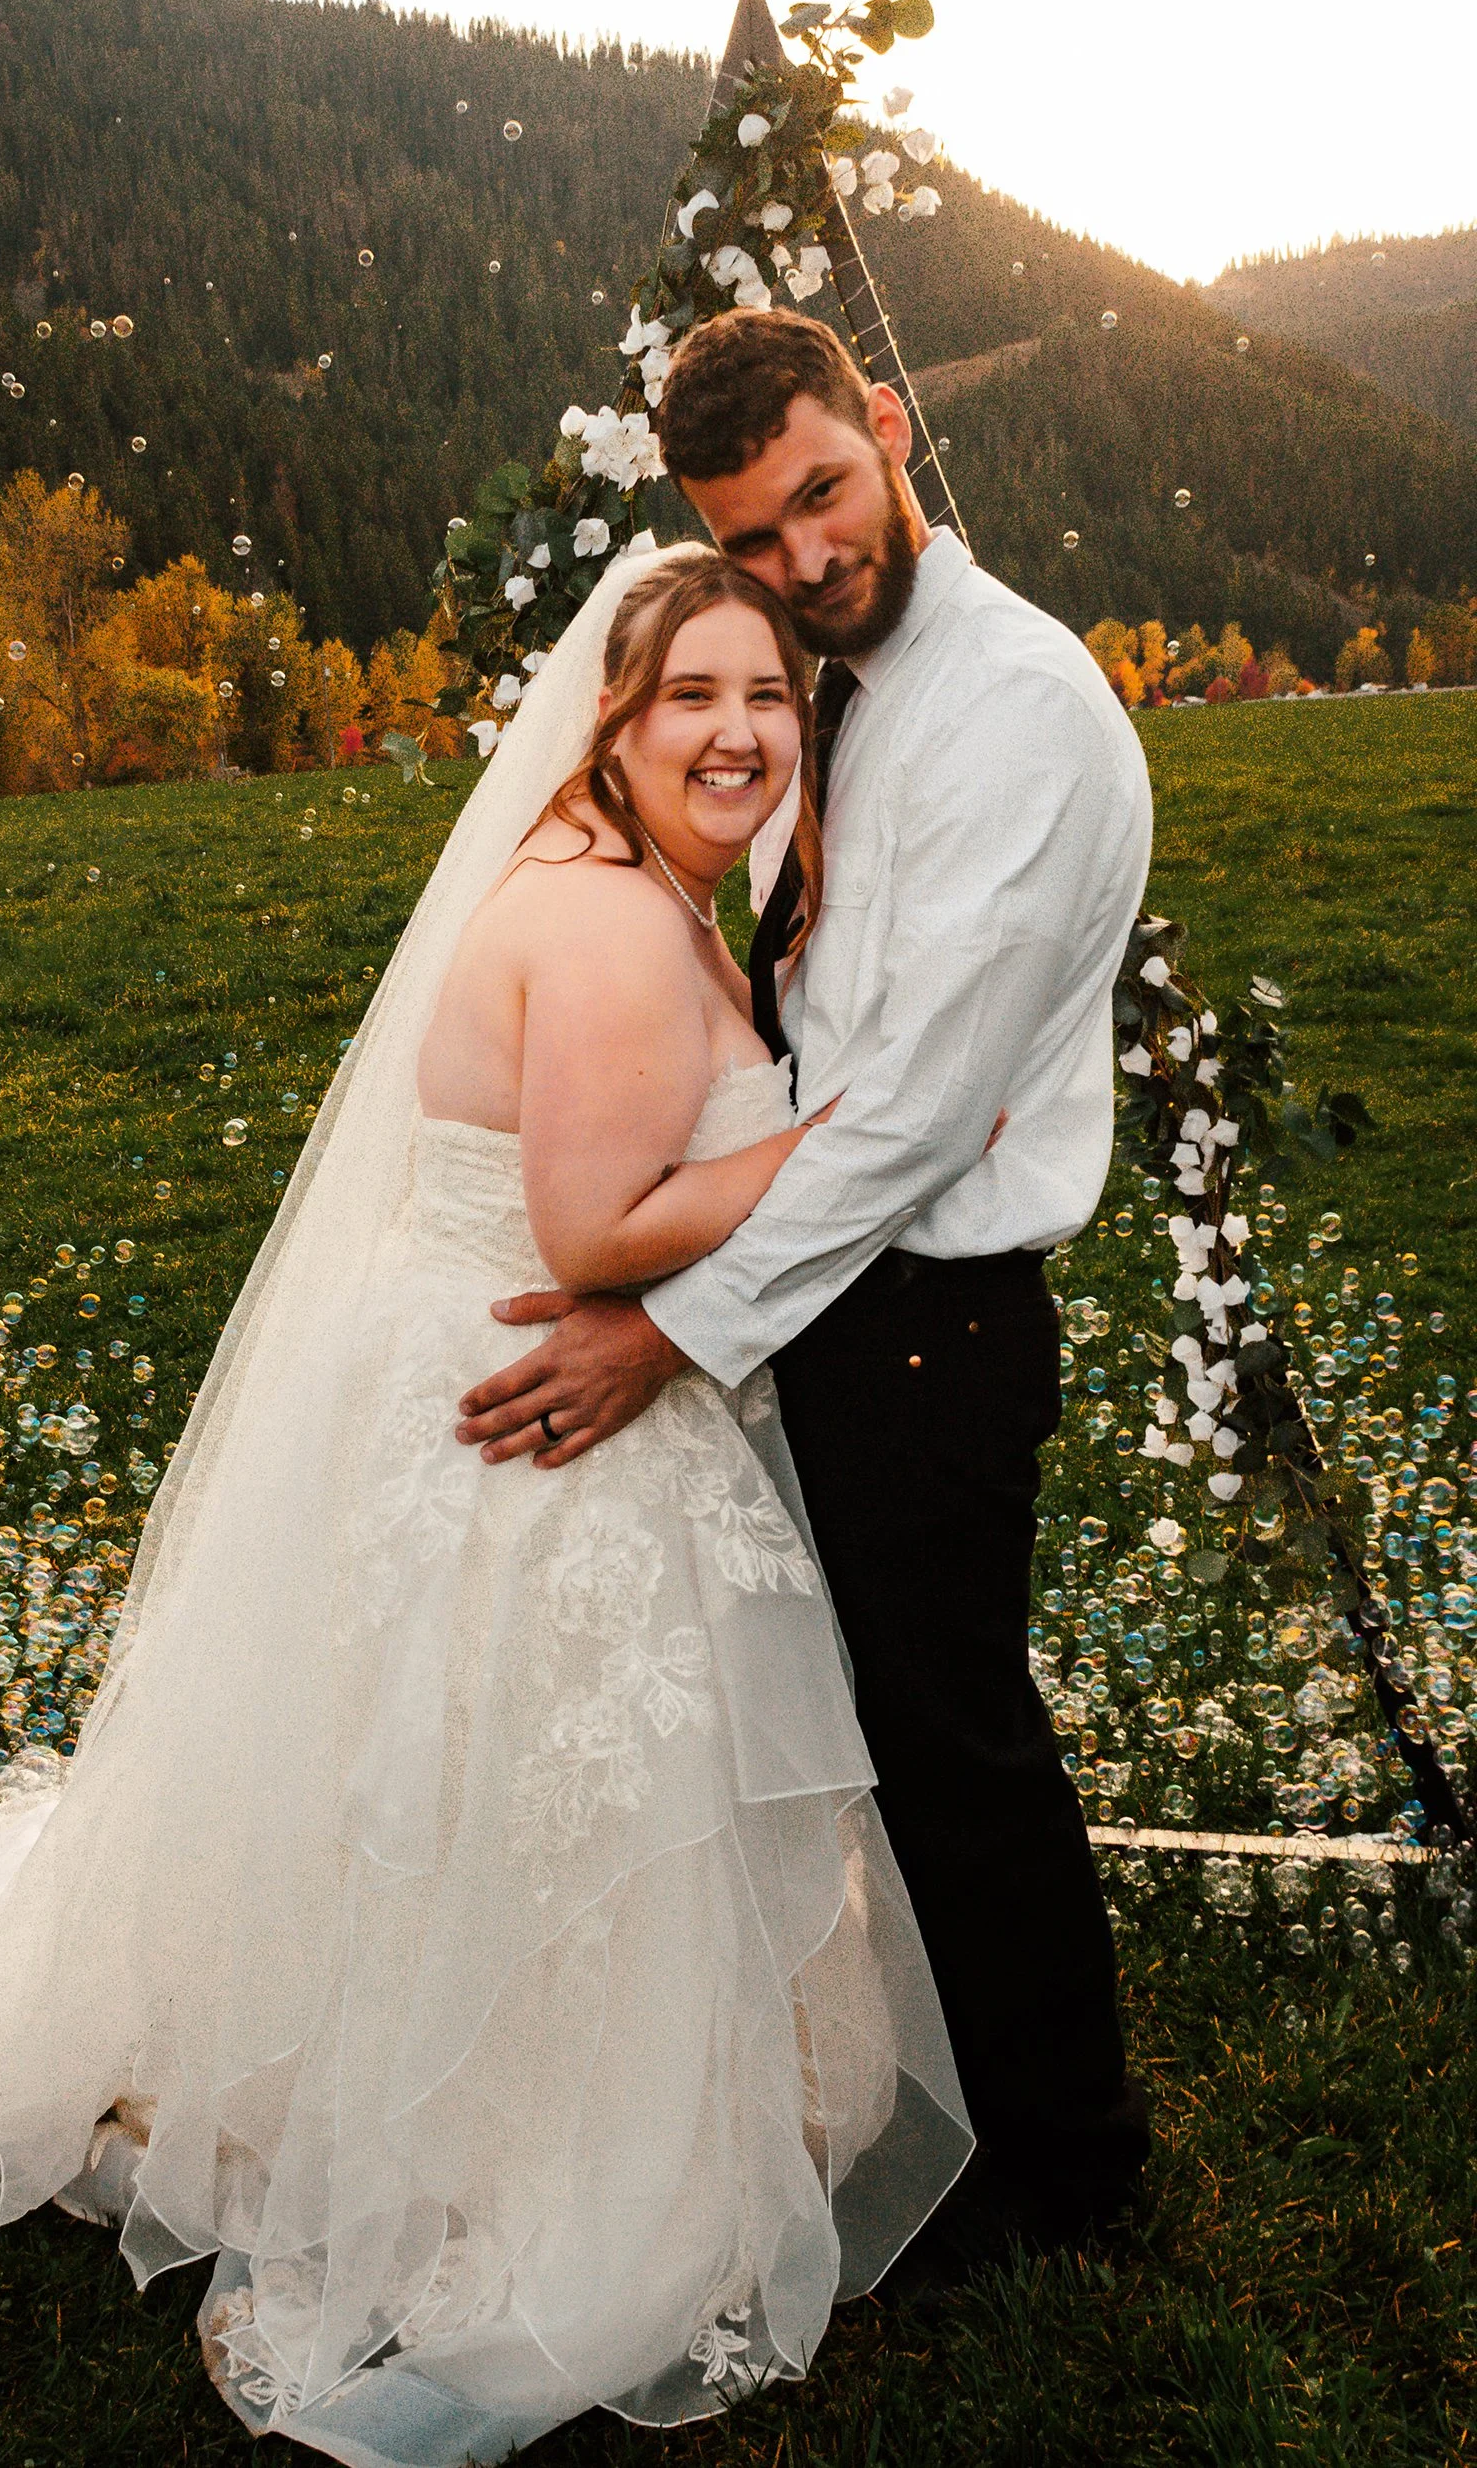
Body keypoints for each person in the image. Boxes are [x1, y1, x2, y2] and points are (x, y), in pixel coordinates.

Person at [0, 546, 971, 2463]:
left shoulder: (635, 885)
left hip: (453, 1386)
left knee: (422, 1787)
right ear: (618, 721)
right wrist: (856, 1139)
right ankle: (501, 2128)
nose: (741, 733)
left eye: (769, 698)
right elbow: (590, 1233)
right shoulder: (605, 928)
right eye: (696, 701)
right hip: (523, 1410)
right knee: (523, 1786)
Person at [456, 309, 1156, 2267]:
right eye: (749, 539)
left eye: (822, 497)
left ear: (894, 427)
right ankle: (886, 2096)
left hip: (928, 1311)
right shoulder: (830, 679)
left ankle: (1071, 2166)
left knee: (950, 1735)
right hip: (822, 1290)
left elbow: (916, 1113)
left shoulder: (1018, 713)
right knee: (840, 1724)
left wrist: (663, 1327)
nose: (805, 558)